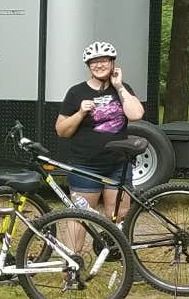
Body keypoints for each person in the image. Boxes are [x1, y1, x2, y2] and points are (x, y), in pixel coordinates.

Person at [54, 40, 145, 221]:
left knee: (119, 217)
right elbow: (61, 131)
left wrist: (119, 86)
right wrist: (80, 113)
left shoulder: (122, 89)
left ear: (113, 63)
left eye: (104, 60)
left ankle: (115, 249)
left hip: (119, 164)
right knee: (81, 219)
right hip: (85, 165)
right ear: (88, 66)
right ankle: (74, 251)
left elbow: (136, 115)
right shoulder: (76, 92)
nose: (99, 65)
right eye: (94, 62)